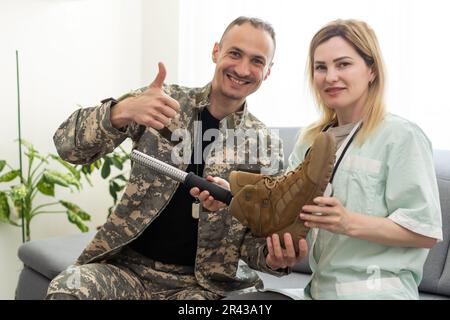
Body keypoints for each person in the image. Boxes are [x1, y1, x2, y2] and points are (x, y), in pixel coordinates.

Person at [46, 16, 309, 300]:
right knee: (68, 289)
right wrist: (121, 111)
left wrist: (274, 258)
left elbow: (254, 244)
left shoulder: (266, 145)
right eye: (235, 53)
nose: (243, 69)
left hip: (200, 288)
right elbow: (67, 146)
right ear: (215, 51)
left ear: (268, 72)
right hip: (126, 270)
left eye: (257, 61)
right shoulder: (162, 102)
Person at [196, 19, 443, 300]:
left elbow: (425, 231)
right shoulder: (311, 139)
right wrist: (235, 198)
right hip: (317, 292)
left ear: (371, 70)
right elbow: (281, 209)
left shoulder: (401, 136)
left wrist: (347, 222)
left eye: (343, 64)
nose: (331, 77)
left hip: (379, 292)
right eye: (321, 67)